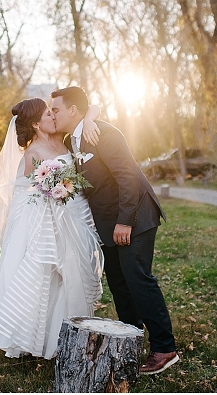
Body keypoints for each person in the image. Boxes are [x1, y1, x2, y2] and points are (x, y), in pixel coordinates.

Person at [50, 86, 179, 375]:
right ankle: (130, 341)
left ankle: (164, 348)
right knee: (119, 284)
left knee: (138, 278)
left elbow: (127, 177)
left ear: (72, 110)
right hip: (107, 223)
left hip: (135, 217)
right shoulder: (74, 140)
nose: (52, 114)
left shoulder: (104, 134)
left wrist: (125, 221)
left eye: (56, 109)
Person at [0, 97, 104, 360]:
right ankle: (50, 342)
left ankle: (76, 334)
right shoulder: (32, 154)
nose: (54, 116)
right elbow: (23, 196)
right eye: (48, 114)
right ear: (36, 123)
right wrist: (50, 193)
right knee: (54, 278)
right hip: (50, 222)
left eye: (53, 112)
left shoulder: (63, 139)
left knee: (79, 272)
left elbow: (94, 105)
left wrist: (89, 117)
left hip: (77, 214)